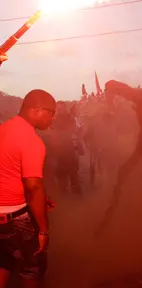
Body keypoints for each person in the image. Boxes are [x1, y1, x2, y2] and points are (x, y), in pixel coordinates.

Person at [0, 89, 56, 288]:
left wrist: (40, 198)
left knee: (3, 263)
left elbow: (7, 172)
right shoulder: (31, 140)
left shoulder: (3, 128)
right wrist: (43, 230)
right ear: (37, 110)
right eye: (51, 112)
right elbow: (33, 186)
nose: (52, 119)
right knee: (32, 269)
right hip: (17, 220)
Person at [51, 101, 82, 194]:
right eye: (58, 108)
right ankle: (65, 196)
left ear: (65, 108)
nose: (60, 110)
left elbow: (77, 131)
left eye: (61, 108)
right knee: (61, 174)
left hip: (69, 149)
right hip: (58, 151)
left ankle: (77, 195)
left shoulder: (71, 119)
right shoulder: (53, 120)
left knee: (73, 174)